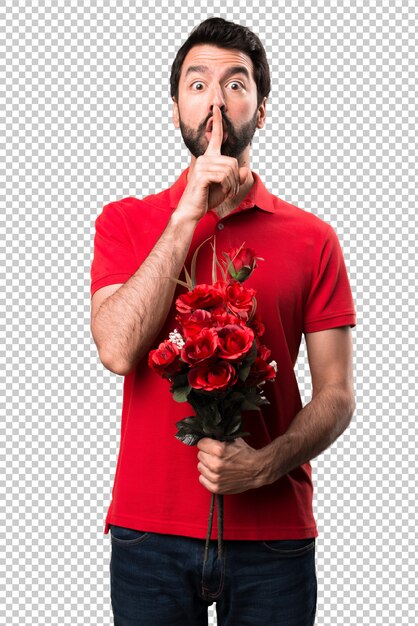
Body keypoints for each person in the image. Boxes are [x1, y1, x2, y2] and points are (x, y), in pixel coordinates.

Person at [90, 17, 356, 626]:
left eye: (236, 84)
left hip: (274, 537)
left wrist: (264, 464)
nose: (216, 99)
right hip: (147, 534)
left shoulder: (314, 239)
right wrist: (187, 214)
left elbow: (337, 395)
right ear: (176, 107)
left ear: (261, 111)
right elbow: (117, 349)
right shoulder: (125, 222)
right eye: (198, 83)